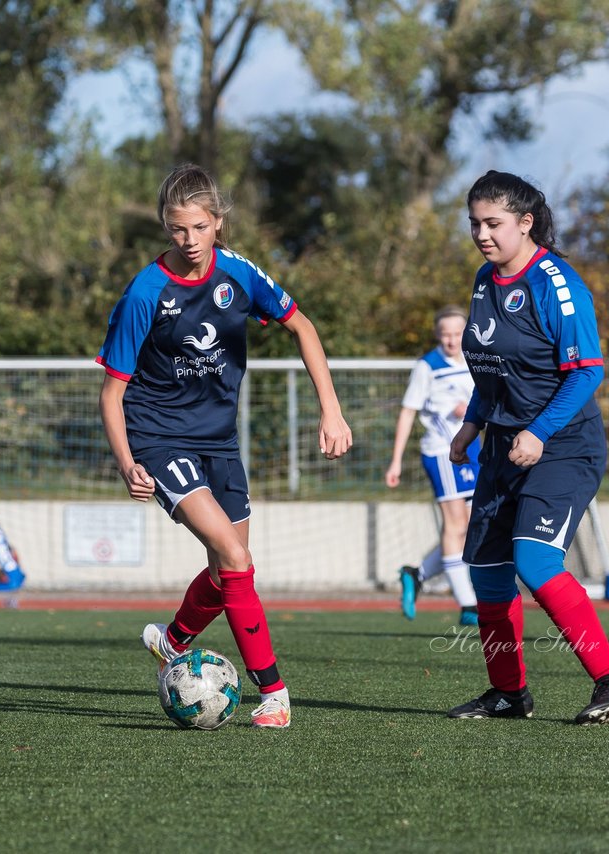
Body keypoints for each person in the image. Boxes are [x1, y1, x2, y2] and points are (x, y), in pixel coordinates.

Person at [98, 163, 353, 730]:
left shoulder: (238, 274)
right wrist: (128, 463)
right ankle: (276, 693)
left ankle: (173, 640)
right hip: (158, 435)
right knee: (237, 561)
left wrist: (330, 409)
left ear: (217, 221)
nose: (187, 241)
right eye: (175, 229)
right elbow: (112, 393)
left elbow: (303, 327)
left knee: (226, 571)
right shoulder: (146, 291)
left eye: (197, 227)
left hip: (219, 439)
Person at [447, 170, 609, 725]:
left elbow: (586, 373)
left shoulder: (556, 283)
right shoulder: (485, 280)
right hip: (502, 446)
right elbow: (492, 368)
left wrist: (539, 432)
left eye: (494, 223)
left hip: (563, 446)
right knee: (486, 571)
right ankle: (508, 694)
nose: (482, 234)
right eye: (475, 223)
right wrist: (471, 424)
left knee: (534, 562)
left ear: (525, 222)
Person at [384, 305, 480, 625]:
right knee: (455, 526)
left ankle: (417, 574)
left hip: (473, 450)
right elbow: (408, 411)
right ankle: (467, 605)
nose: (452, 340)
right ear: (437, 335)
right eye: (446, 334)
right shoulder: (428, 366)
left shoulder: (475, 359)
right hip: (442, 452)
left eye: (457, 333)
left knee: (468, 528)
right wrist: (396, 461)